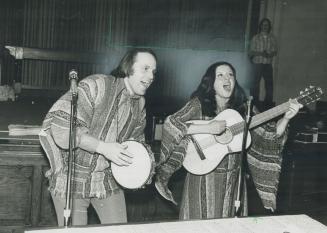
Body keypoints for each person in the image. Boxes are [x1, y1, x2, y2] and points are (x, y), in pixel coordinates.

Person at [155, 61, 302, 219]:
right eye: (221, 75)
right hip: (202, 177)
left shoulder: (245, 109)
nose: (227, 79)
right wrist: (208, 128)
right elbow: (171, 124)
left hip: (234, 183)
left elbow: (270, 136)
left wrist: (286, 118)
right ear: (210, 82)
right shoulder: (198, 105)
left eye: (231, 75)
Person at [39, 48, 157, 226]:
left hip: (106, 180)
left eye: (154, 72)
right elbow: (62, 131)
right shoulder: (97, 85)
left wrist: (144, 167)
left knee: (120, 230)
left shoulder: (139, 104)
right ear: (127, 67)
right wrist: (103, 147)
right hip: (71, 178)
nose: (150, 77)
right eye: (145, 69)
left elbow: (135, 143)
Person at [249, 18, 278, 110]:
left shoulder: (272, 38)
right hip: (257, 64)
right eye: (263, 25)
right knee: (255, 85)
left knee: (269, 86)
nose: (265, 27)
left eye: (267, 25)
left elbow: (275, 51)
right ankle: (254, 105)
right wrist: (261, 53)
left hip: (267, 65)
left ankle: (267, 106)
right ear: (260, 26)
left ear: (269, 27)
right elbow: (251, 52)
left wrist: (270, 54)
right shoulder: (256, 37)